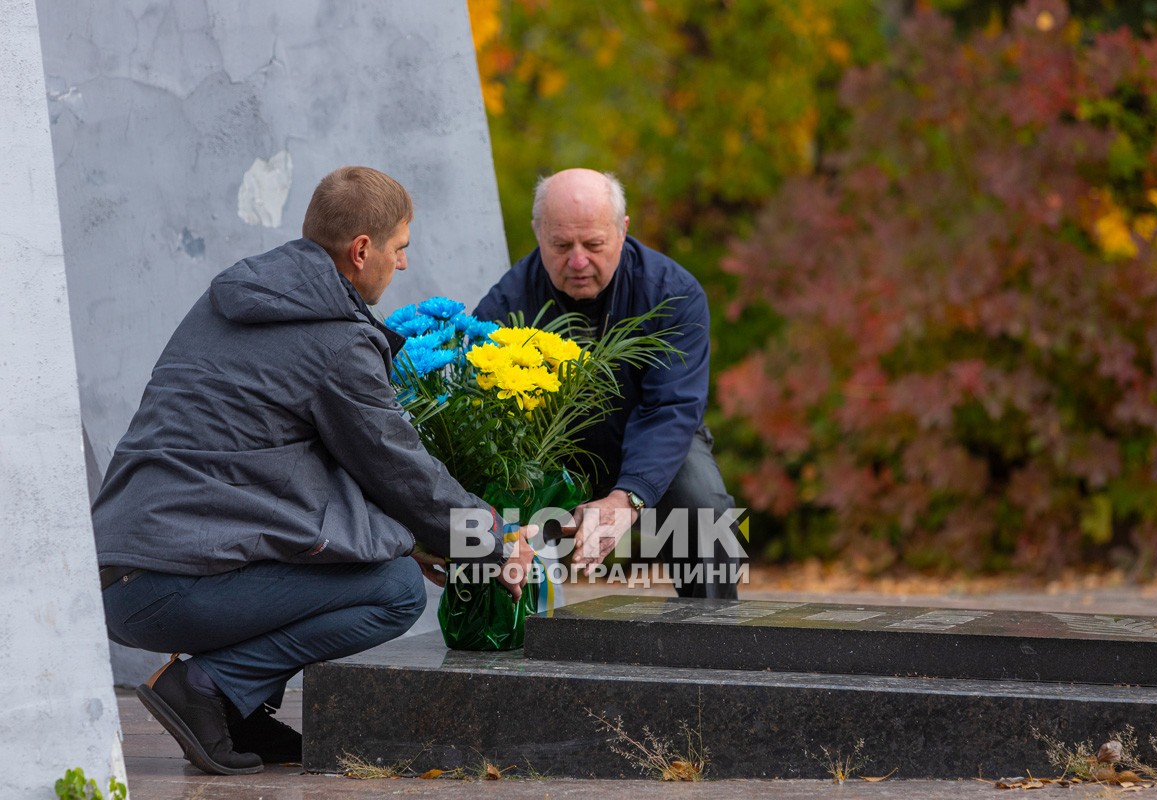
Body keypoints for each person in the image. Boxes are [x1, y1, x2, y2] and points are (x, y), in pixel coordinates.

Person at [92, 166, 535, 776]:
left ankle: (237, 711)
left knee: (386, 563)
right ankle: (204, 688)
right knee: (394, 591)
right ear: (361, 250)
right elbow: (402, 470)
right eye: (399, 249)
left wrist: (405, 540)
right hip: (171, 584)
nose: (402, 265)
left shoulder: (236, 302)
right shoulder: (334, 342)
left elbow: (275, 472)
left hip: (124, 576)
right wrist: (491, 540)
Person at [473, 168, 746, 599]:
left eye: (594, 245)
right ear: (537, 233)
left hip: (653, 438)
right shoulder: (504, 305)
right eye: (561, 246)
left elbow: (671, 409)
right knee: (480, 513)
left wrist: (627, 498)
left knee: (703, 506)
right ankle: (493, 637)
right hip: (545, 450)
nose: (578, 261)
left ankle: (716, 637)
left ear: (622, 230)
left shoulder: (672, 293)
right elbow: (489, 420)